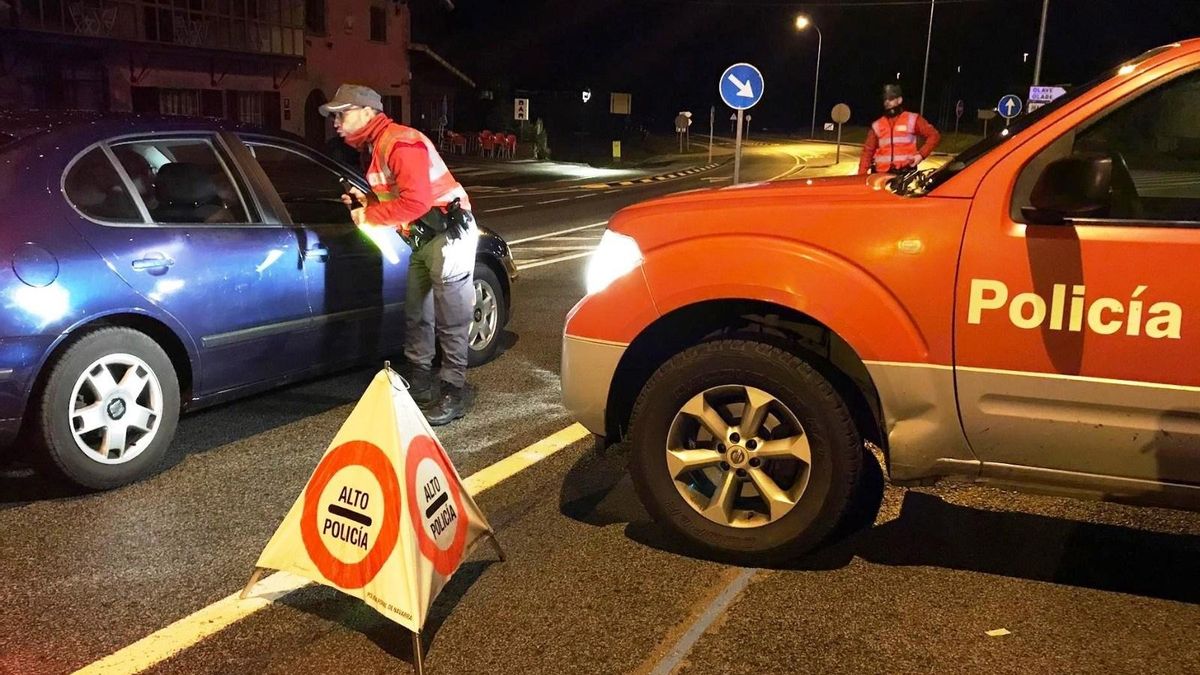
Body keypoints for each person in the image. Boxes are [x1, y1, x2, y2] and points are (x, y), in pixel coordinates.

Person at [321, 84, 479, 426]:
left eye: (341, 113)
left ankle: (454, 391)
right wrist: (370, 203)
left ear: (367, 113)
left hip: (448, 235)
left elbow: (418, 202)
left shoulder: (400, 141)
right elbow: (398, 199)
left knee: (450, 319)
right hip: (424, 237)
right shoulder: (377, 146)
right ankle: (421, 381)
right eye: (334, 115)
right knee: (417, 311)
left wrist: (370, 216)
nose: (335, 122)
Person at [858, 84, 941, 175]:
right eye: (885, 99)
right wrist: (861, 177)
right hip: (881, 175)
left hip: (904, 175)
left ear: (899, 100)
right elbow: (868, 152)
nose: (887, 102)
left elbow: (934, 136)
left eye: (891, 99)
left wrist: (921, 155)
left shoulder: (912, 119)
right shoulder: (877, 125)